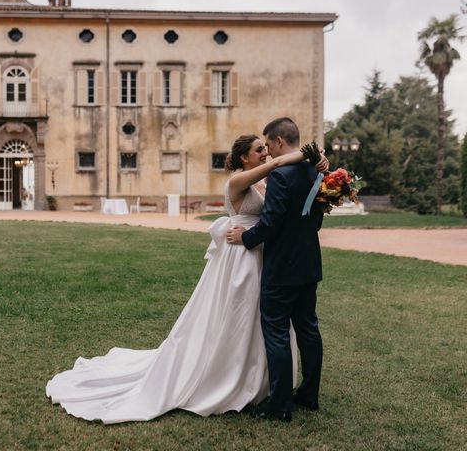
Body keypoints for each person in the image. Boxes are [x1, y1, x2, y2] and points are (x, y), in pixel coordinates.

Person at [46, 131, 327, 424]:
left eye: (266, 149)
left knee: (257, 322)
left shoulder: (260, 181)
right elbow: (274, 167)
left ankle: (256, 379)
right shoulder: (237, 181)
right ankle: (226, 375)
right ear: (244, 157)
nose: (265, 154)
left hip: (256, 254)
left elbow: (277, 203)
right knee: (236, 316)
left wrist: (318, 158)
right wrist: (307, 153)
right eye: (259, 150)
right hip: (239, 256)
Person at [227, 117, 325, 423]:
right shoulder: (316, 170)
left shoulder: (281, 175)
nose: (268, 151)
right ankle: (308, 394)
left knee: (277, 332)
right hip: (309, 262)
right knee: (308, 329)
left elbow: (270, 223)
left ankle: (281, 405)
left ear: (280, 142)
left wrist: (246, 237)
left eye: (269, 145)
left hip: (282, 266)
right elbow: (317, 217)